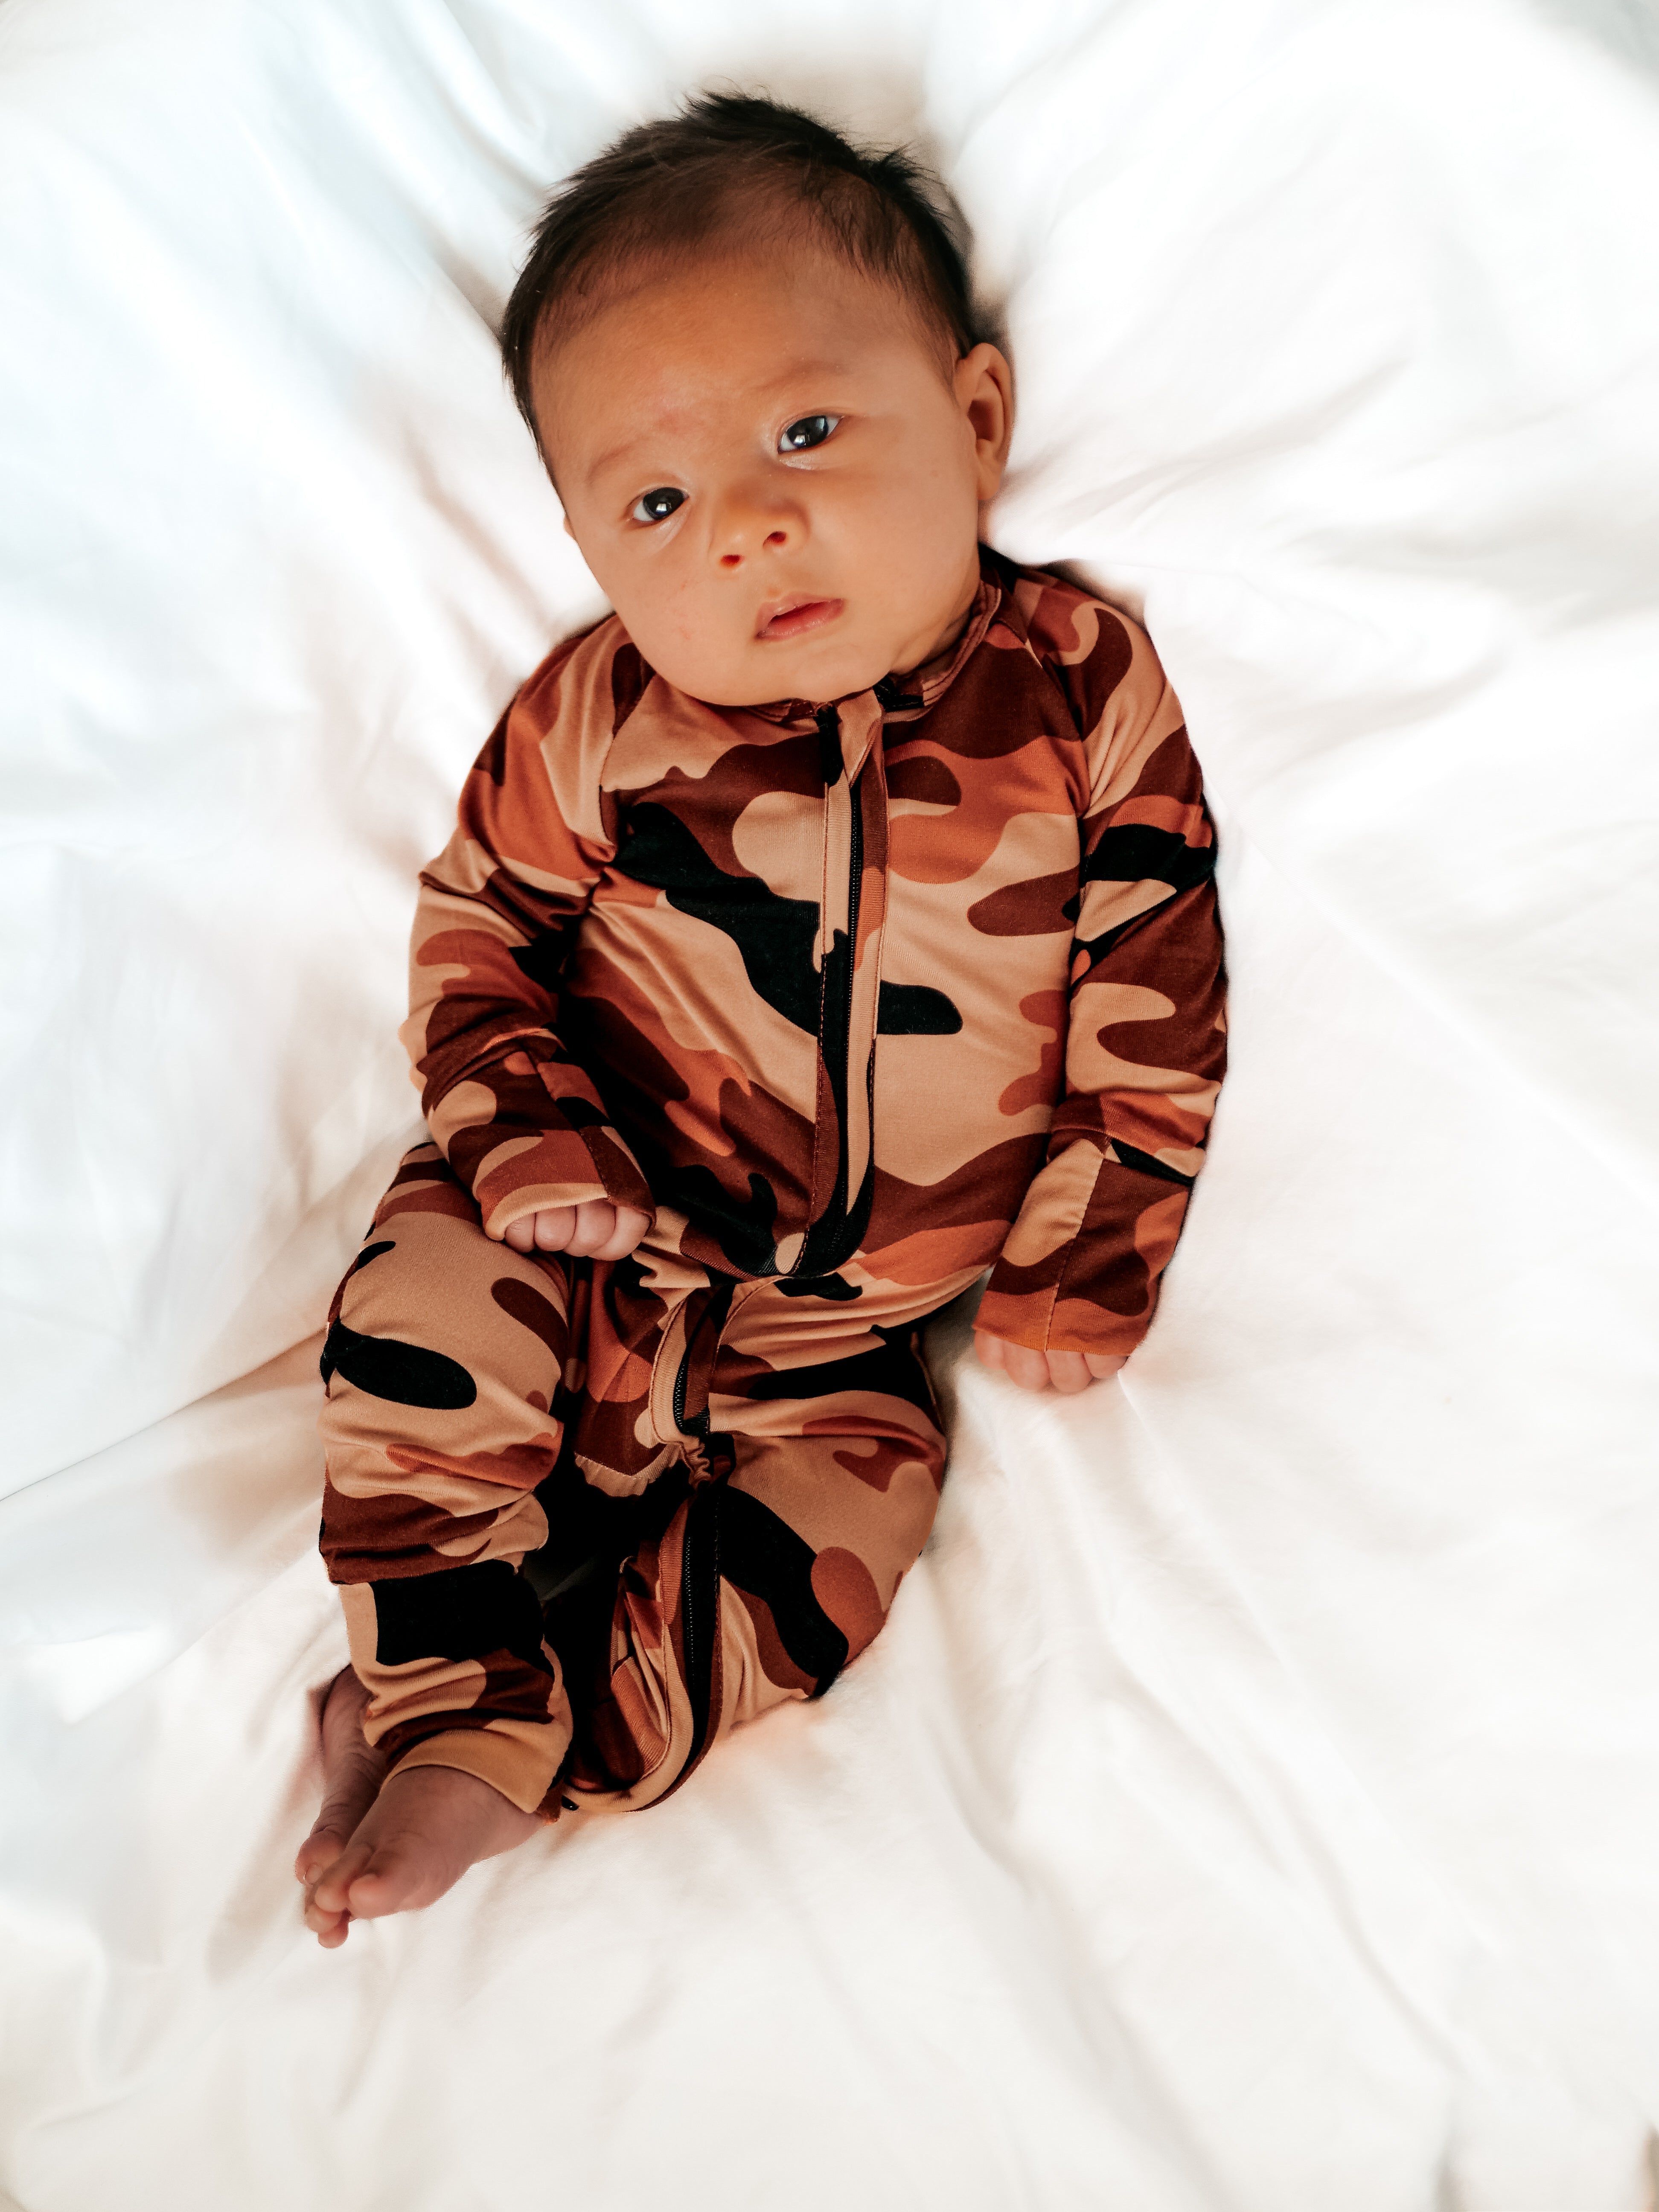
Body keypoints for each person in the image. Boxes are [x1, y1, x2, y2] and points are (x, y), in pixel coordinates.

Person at [296, 93, 1227, 1947]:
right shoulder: (599, 719)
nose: (748, 526)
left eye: (805, 432)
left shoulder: (1074, 687)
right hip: (578, 1240)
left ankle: (515, 1753)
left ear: (976, 419)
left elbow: (1156, 971)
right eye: (658, 502)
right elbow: (479, 928)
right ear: (588, 543)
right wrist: (523, 1139)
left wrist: (1087, 1249)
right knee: (416, 1322)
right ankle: (442, 1671)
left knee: (852, 1541)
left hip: (839, 1348)